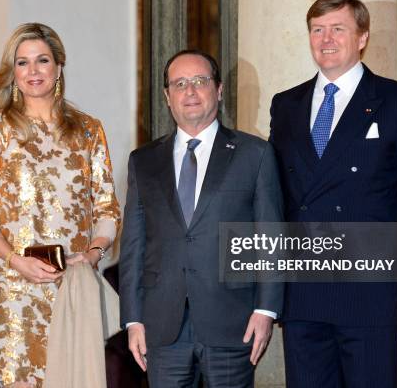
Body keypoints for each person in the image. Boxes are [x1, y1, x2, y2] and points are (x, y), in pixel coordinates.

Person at [269, 0, 397, 388]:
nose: (326, 39)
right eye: (317, 30)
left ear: (362, 37)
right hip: (302, 292)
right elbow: (274, 195)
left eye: (338, 29)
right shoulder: (286, 105)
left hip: (370, 290)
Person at [0, 23, 120, 388]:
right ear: (13, 72)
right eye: (22, 62)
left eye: (42, 60)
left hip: (71, 285)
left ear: (59, 67)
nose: (33, 71)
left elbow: (108, 208)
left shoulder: (88, 130)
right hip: (13, 289)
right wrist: (15, 260)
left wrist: (94, 254)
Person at [119, 49, 284, 387]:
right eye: (179, 84)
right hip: (162, 326)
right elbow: (133, 244)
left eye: (199, 81)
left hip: (233, 322)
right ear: (167, 96)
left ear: (219, 90)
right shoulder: (143, 161)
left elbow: (270, 238)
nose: (190, 91)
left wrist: (266, 310)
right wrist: (133, 319)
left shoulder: (255, 154)